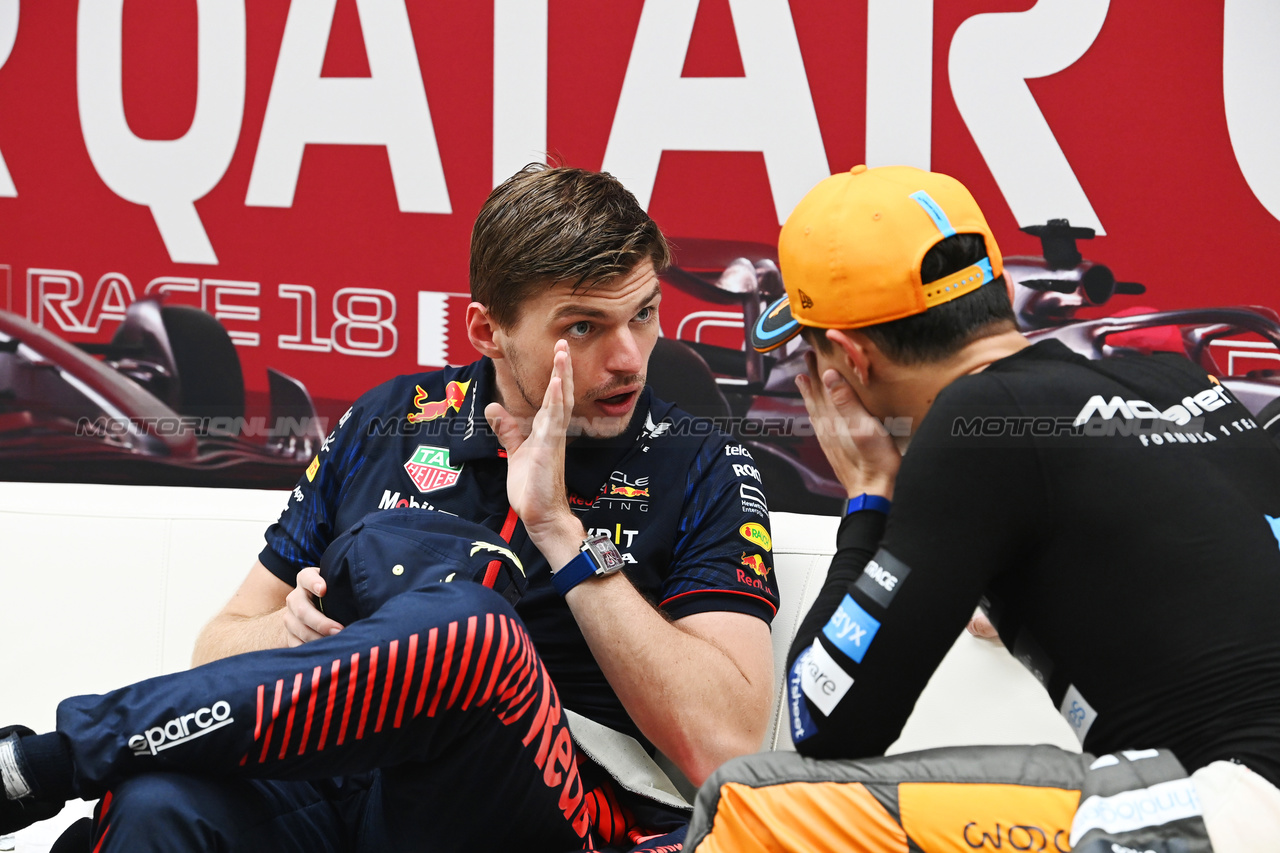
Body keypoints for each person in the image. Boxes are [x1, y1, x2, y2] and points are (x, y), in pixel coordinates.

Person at [0, 165, 780, 852]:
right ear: (489, 331)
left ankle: (45, 761)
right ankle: (73, 768)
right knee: (156, 804)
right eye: (585, 326)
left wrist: (561, 534)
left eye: (642, 313)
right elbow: (219, 647)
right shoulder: (390, 420)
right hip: (348, 781)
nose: (628, 357)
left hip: (556, 801)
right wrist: (291, 628)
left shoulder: (700, 458)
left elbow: (727, 743)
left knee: (474, 632)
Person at [685, 165, 1280, 852]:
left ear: (848, 358)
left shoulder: (979, 419)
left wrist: (869, 491)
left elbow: (825, 722)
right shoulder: (1169, 376)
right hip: (1227, 797)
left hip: (1242, 805)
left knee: (751, 806)